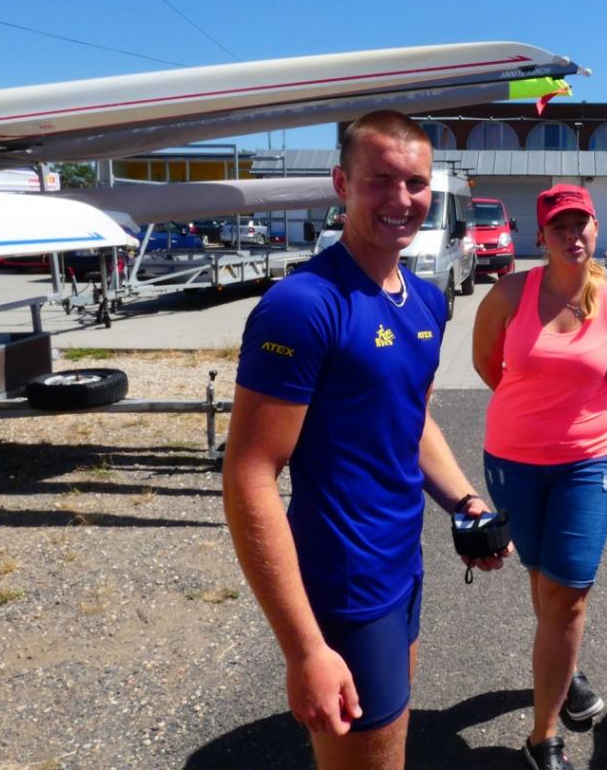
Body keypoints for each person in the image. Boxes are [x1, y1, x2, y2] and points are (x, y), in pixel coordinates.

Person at [222, 110, 506, 770]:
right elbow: (248, 477)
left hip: (402, 564)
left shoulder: (427, 300)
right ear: (341, 184)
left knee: (393, 740)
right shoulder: (302, 306)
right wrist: (303, 649)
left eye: (416, 182)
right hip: (345, 582)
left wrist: (465, 502)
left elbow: (411, 421)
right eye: (380, 180)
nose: (401, 199)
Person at [472, 184, 607, 770]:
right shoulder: (508, 293)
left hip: (587, 461)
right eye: (559, 227)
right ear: (541, 236)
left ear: (596, 229)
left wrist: (569, 411)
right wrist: (533, 406)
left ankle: (542, 738)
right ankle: (565, 673)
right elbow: (487, 365)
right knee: (543, 576)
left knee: (568, 594)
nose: (572, 236)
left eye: (581, 225)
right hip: (513, 460)